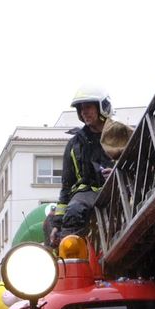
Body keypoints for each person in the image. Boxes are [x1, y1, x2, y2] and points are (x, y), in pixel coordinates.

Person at [51, 87, 115, 245]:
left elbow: (139, 164)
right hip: (85, 194)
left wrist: (117, 171)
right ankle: (73, 255)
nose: (84, 112)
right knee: (74, 211)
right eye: (81, 108)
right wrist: (57, 224)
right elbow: (66, 187)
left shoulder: (119, 134)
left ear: (101, 107)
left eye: (88, 107)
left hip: (119, 189)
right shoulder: (74, 144)